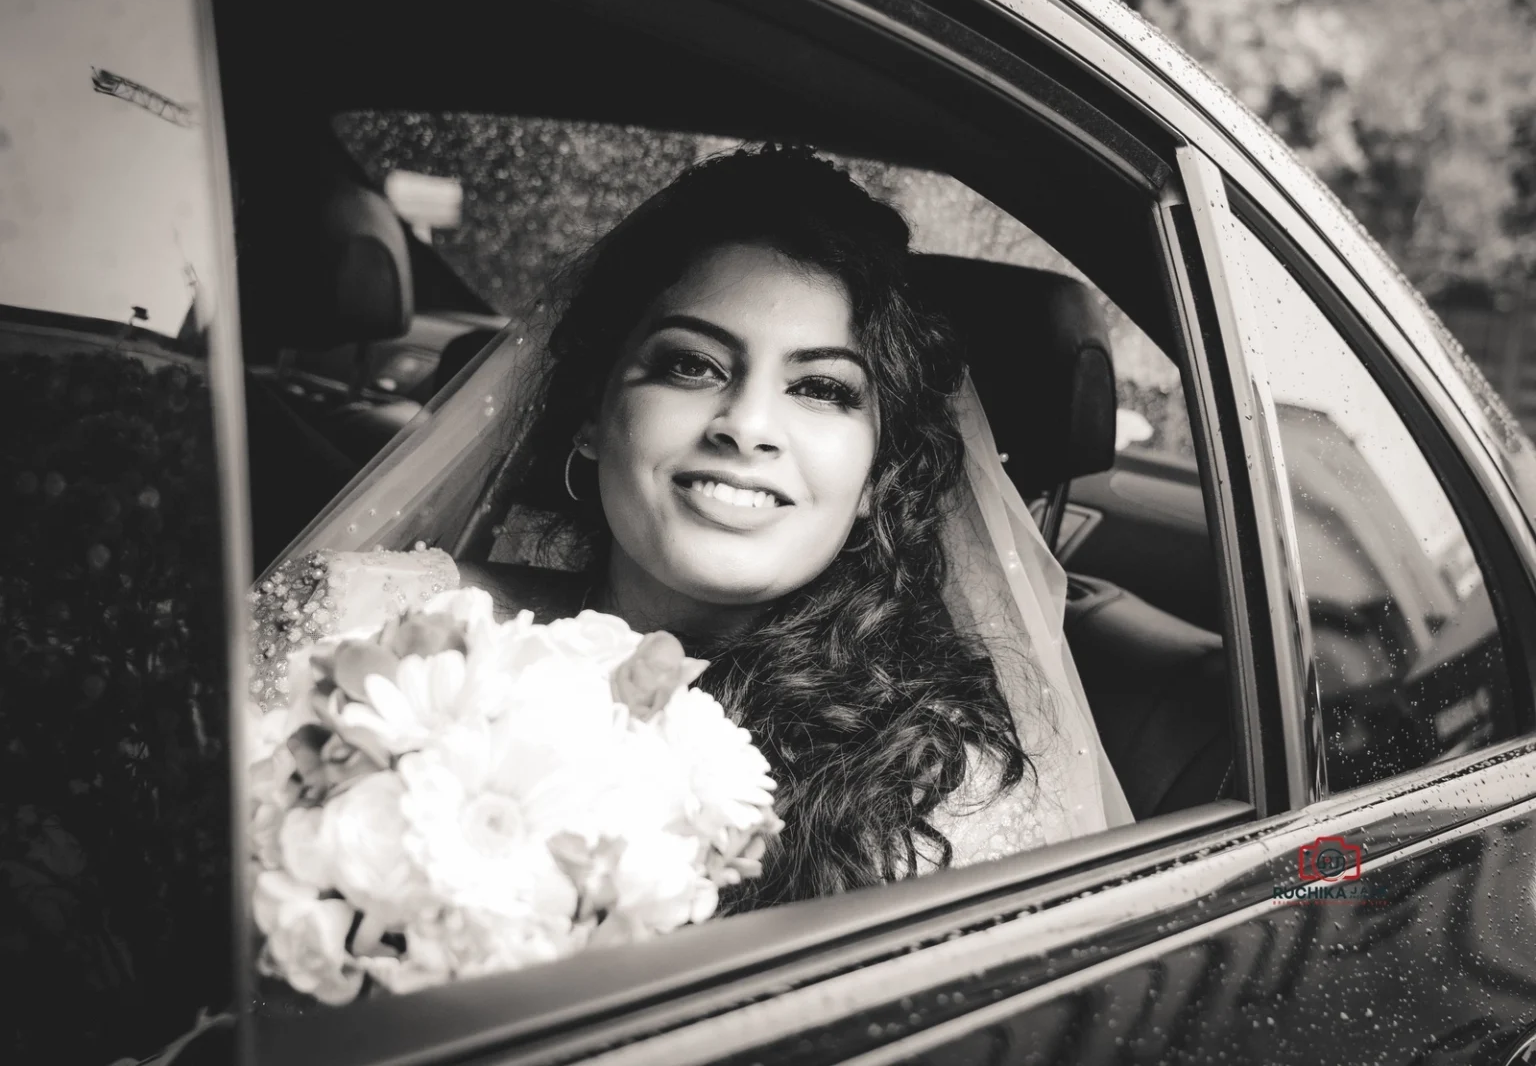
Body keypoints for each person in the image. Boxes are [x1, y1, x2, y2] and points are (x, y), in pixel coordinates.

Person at [248, 145, 1129, 913]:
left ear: (873, 478)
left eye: (822, 388)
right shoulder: (362, 622)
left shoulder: (945, 794)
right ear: (593, 416)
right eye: (692, 365)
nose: (745, 425)